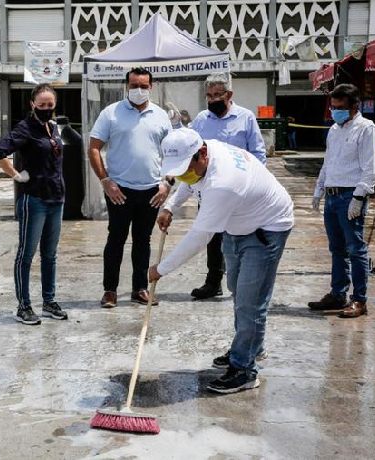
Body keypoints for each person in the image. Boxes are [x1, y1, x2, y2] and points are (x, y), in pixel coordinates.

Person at [150, 129, 293, 393]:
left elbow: (200, 237)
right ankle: (251, 346)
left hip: (266, 229)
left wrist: (161, 269)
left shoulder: (223, 181)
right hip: (237, 223)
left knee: (251, 301)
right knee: (238, 290)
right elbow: (188, 182)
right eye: (177, 171)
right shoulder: (206, 153)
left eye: (185, 168)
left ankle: (244, 369)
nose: (183, 175)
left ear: (201, 154)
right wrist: (171, 206)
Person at [88, 67, 172, 309]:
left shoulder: (160, 115)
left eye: (144, 86)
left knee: (143, 240)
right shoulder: (111, 113)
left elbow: (172, 153)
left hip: (151, 191)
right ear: (126, 86)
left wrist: (167, 183)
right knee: (116, 239)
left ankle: (139, 289)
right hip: (119, 191)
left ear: (151, 87)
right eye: (134, 85)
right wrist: (105, 181)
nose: (139, 90)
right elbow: (94, 148)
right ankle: (110, 291)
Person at [0, 83, 68, 325]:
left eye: (50, 105)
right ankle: (23, 305)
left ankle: (49, 301)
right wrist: (15, 174)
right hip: (34, 199)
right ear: (32, 104)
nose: (46, 108)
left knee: (50, 255)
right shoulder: (25, 129)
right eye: (42, 104)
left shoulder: (52, 127)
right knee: (26, 254)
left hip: (56, 198)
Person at [187, 73, 267, 300]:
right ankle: (213, 282)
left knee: (239, 236)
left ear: (229, 95)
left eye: (217, 95)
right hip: (210, 191)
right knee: (212, 237)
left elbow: (258, 153)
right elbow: (190, 147)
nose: (212, 100)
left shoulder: (245, 117)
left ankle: (241, 282)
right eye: (209, 96)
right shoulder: (202, 119)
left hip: (240, 192)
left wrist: (253, 183)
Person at [309, 84, 375, 318]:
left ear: (354, 106)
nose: (335, 112)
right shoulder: (334, 130)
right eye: (333, 107)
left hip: (351, 195)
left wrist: (359, 197)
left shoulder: (366, 129)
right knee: (336, 248)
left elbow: (371, 168)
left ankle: (359, 300)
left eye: (340, 107)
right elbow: (328, 162)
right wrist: (319, 189)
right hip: (332, 194)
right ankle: (337, 294)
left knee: (356, 248)